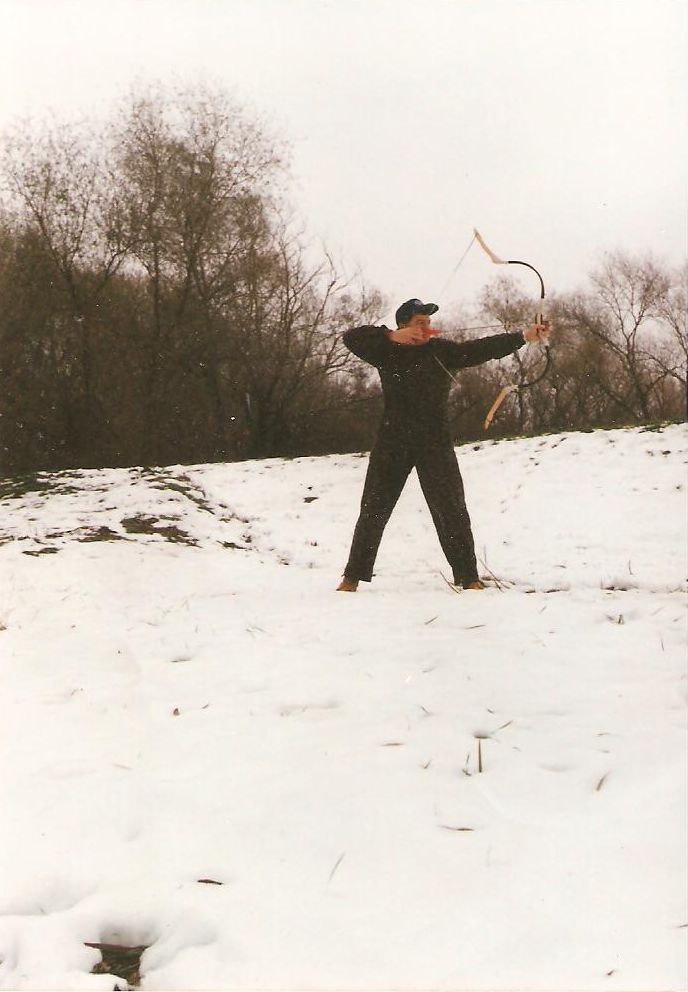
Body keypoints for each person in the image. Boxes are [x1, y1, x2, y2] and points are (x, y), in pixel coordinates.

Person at [337, 298, 551, 592]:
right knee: (375, 507)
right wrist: (390, 336)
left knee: (451, 508)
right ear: (403, 325)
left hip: (434, 441)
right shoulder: (385, 350)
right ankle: (352, 578)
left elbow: (479, 349)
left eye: (428, 322)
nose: (425, 327)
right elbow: (351, 337)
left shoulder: (441, 351)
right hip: (393, 439)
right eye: (418, 322)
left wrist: (524, 336)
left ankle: (469, 578)